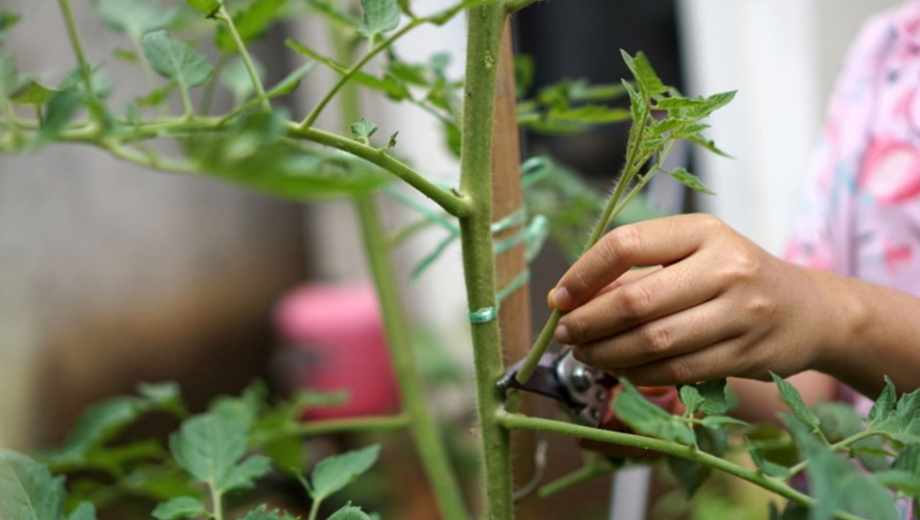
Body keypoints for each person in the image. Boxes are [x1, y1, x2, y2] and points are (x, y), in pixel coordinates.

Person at [550, 1, 920, 423]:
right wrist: (682, 373)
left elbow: (826, 322)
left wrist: (829, 312)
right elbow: (816, 383)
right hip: (852, 488)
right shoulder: (890, 46)